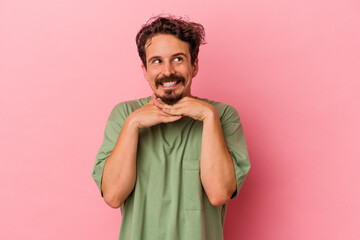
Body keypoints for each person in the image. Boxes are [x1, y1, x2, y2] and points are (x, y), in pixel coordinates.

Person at [92, 15, 251, 240]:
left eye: (177, 59)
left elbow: (218, 194)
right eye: (156, 61)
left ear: (194, 66)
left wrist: (208, 116)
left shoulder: (222, 116)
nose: (167, 71)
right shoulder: (125, 115)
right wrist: (132, 125)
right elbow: (113, 196)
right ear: (145, 70)